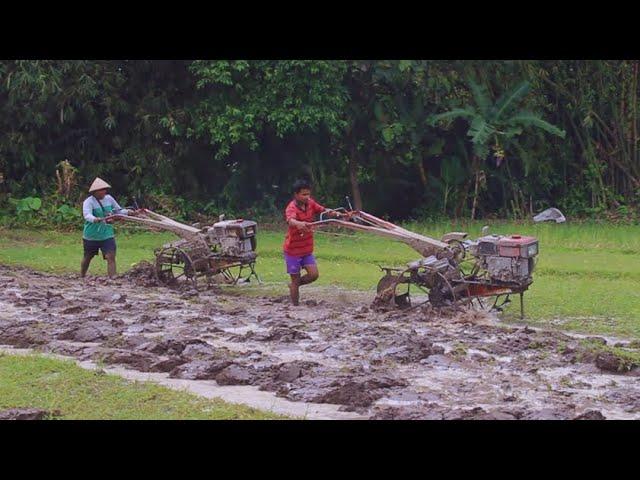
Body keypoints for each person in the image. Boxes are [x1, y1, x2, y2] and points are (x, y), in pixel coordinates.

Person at [283, 179, 345, 305]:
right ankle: (295, 307)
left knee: (313, 275)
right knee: (295, 280)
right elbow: (290, 220)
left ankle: (293, 286)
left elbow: (322, 209)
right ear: (296, 195)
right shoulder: (291, 207)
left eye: (308, 194)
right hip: (293, 250)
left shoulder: (310, 203)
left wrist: (335, 213)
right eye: (304, 194)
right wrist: (299, 223)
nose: (307, 197)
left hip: (306, 249)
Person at [81, 177, 138, 278]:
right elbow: (87, 215)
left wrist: (129, 212)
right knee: (88, 257)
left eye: (105, 189)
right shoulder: (88, 202)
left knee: (110, 256)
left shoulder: (109, 199)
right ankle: (82, 276)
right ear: (95, 192)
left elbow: (118, 210)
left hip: (107, 234)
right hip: (91, 235)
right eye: (102, 190)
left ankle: (113, 278)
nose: (104, 192)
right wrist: (95, 219)